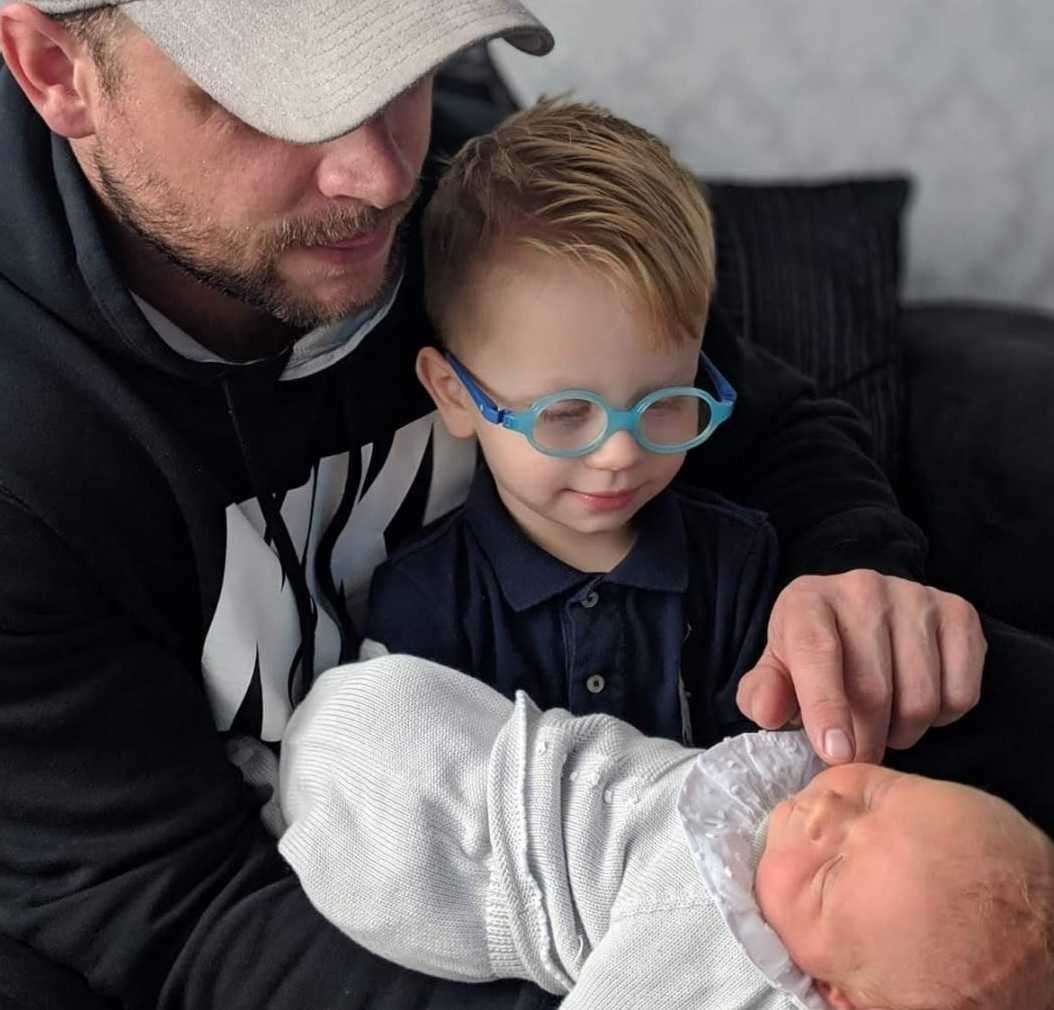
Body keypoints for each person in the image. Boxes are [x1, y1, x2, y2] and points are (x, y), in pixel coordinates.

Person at [0, 1, 1045, 1007]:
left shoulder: (471, 202)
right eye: (277, 99)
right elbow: (177, 910)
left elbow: (772, 424)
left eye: (397, 66)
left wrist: (853, 571)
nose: (378, 173)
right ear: (57, 71)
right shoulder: (35, 455)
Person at [278, 655, 1054, 1010]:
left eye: (829, 875)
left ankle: (281, 789)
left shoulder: (709, 947)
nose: (824, 812)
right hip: (465, 753)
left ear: (838, 998)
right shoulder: (801, 815)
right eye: (880, 795)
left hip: (454, 858)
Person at [367, 98, 778, 745]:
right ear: (455, 395)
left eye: (666, 401)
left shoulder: (741, 564)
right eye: (563, 413)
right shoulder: (423, 597)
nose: (619, 453)